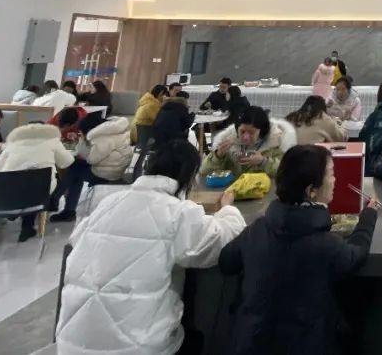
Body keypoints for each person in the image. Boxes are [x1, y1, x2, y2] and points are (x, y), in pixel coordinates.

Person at [56, 140, 245, 355]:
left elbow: (75, 240)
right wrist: (228, 210)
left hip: (71, 346)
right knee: (197, 337)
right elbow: (222, 238)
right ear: (190, 176)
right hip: (136, 349)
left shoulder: (108, 203)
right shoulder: (177, 213)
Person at [219, 144, 378, 354]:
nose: (335, 180)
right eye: (331, 174)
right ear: (311, 190)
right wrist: (368, 217)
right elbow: (356, 255)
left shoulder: (257, 229)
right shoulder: (326, 244)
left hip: (249, 343)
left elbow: (226, 261)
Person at [0, 121, 75, 241]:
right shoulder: (52, 141)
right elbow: (66, 162)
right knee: (39, 186)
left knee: (26, 186)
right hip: (40, 186)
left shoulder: (12, 144)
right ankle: (28, 226)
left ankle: (15, 213)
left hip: (11, 188)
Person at [51, 112, 134, 222]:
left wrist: (80, 142)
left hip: (108, 173)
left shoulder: (102, 138)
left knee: (75, 170)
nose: (80, 134)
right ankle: (61, 204)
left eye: (81, 132)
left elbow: (91, 159)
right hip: (115, 167)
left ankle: (58, 202)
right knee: (76, 169)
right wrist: (81, 142)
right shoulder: (112, 131)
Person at [201, 106, 296, 178]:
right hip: (230, 194)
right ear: (236, 129)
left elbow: (287, 172)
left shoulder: (276, 144)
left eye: (251, 132)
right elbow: (203, 172)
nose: (245, 137)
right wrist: (218, 156)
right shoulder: (227, 142)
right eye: (242, 131)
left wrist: (263, 162)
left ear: (262, 131)